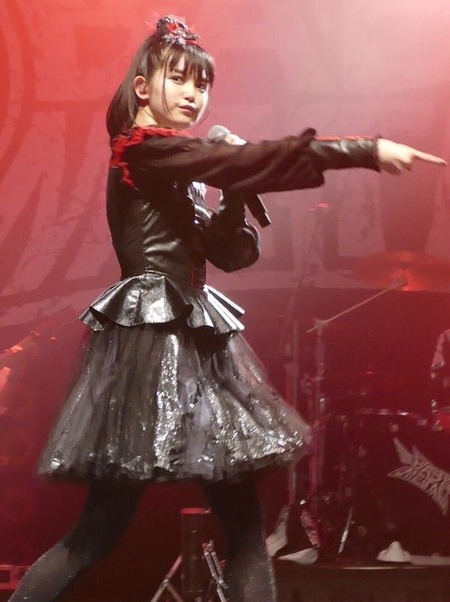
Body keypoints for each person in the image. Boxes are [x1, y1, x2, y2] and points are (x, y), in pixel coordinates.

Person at [9, 15, 445, 602]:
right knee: (98, 532)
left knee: (241, 525)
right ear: (142, 88)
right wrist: (362, 150)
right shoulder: (141, 151)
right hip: (152, 344)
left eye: (202, 84)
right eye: (179, 80)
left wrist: (235, 190)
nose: (194, 94)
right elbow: (242, 165)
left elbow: (233, 254)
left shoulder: (180, 166)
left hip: (193, 341)